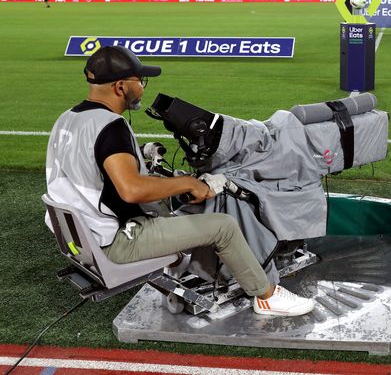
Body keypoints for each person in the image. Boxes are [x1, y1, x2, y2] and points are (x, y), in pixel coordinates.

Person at [45, 45, 314, 317]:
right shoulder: (110, 127)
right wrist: (189, 183)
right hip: (117, 241)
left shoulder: (67, 119)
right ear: (119, 87)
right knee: (223, 226)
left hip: (81, 239)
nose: (142, 87)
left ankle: (191, 267)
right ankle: (266, 296)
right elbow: (132, 190)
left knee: (173, 211)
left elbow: (96, 176)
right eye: (140, 81)